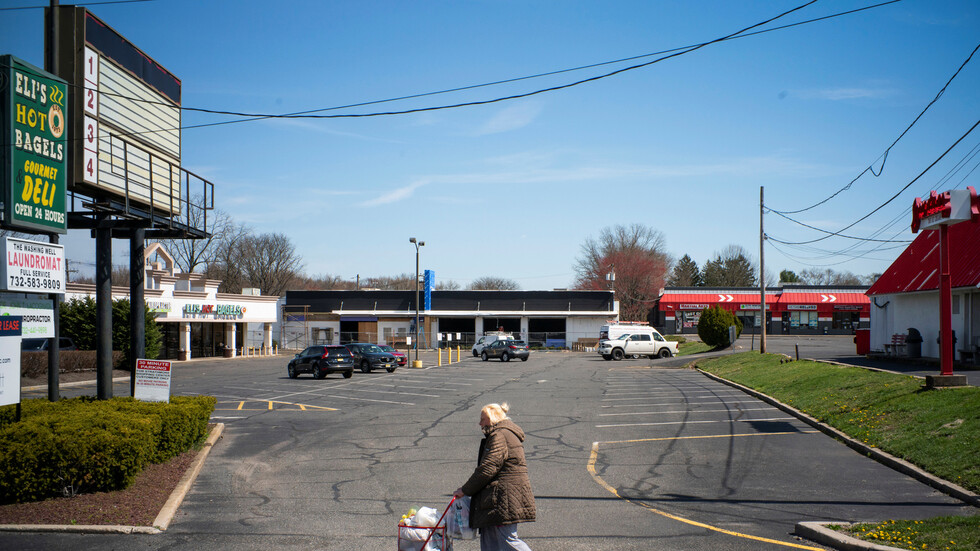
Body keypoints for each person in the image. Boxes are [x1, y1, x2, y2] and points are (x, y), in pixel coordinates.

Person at [454, 403, 535, 551]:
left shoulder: (500, 435)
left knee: (508, 540)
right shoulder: (502, 433)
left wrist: (465, 490)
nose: (480, 423)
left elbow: (488, 468)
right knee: (490, 540)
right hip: (496, 498)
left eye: (482, 419)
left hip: (503, 498)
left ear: (491, 419)